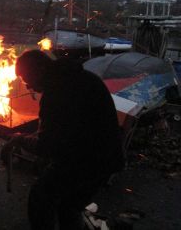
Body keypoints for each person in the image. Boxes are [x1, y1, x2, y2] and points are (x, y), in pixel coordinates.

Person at [9, 49, 125, 229]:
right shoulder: (81, 77)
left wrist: (20, 139)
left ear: (39, 69)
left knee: (41, 197)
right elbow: (61, 132)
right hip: (106, 155)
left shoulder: (57, 93)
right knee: (69, 206)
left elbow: (47, 146)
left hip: (90, 160)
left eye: (26, 78)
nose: (27, 86)